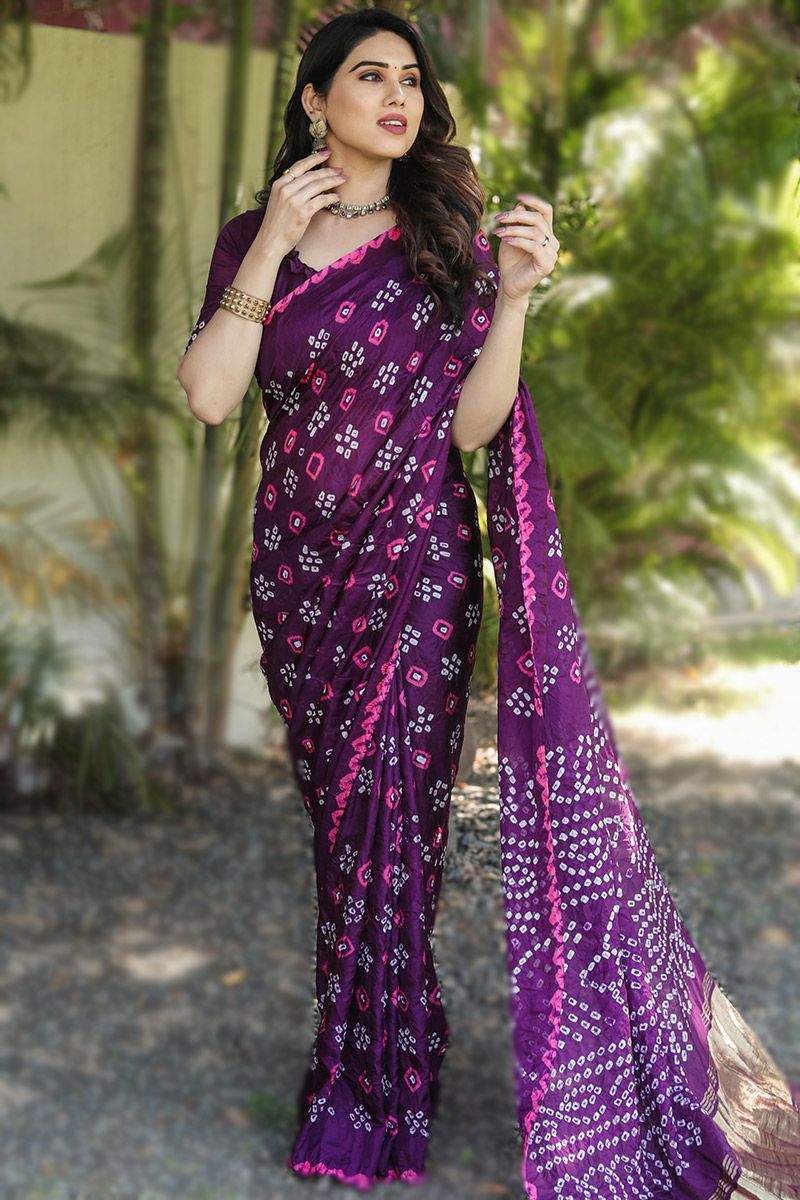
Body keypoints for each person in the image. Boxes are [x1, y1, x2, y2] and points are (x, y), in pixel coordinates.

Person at [177, 8, 800, 1197]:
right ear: (313, 101)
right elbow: (210, 395)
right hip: (299, 575)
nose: (395, 97)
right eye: (368, 76)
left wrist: (511, 296)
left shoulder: (442, 241)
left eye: (410, 80)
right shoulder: (255, 239)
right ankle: (379, 1051)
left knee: (391, 819)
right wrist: (273, 246)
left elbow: (469, 426)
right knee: (339, 828)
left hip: (416, 563)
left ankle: (371, 1091)